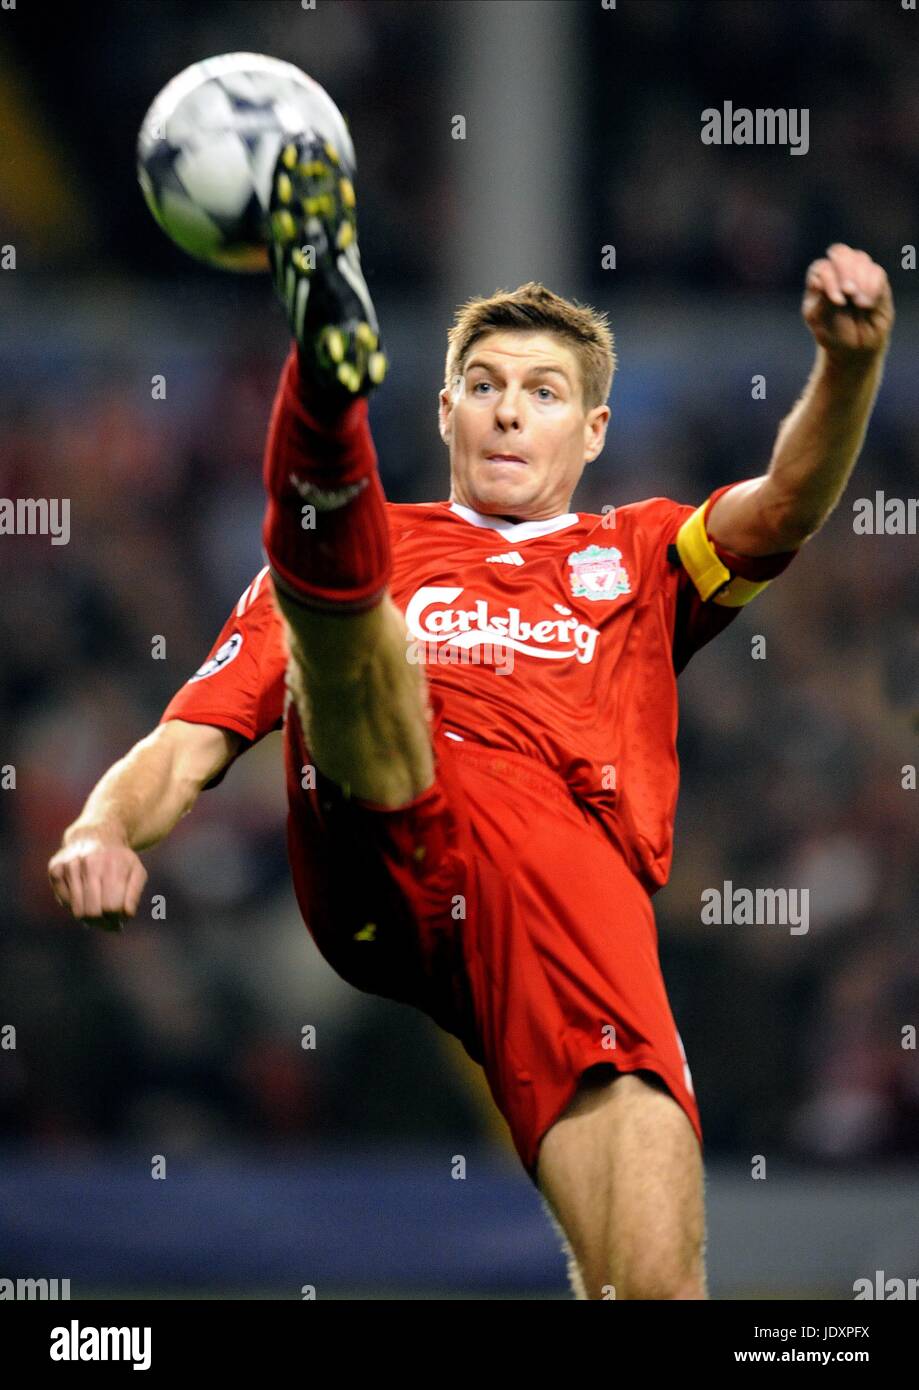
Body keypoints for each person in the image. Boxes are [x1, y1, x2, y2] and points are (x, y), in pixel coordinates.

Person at [48, 131, 894, 1300]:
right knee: (359, 636)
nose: (508, 414)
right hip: (385, 843)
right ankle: (321, 396)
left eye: (543, 394)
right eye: (485, 388)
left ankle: (321, 395)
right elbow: (185, 740)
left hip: (571, 910)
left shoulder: (639, 554)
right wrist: (102, 831)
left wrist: (848, 368)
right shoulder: (402, 545)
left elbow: (787, 503)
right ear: (444, 410)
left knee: (654, 1285)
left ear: (589, 431)